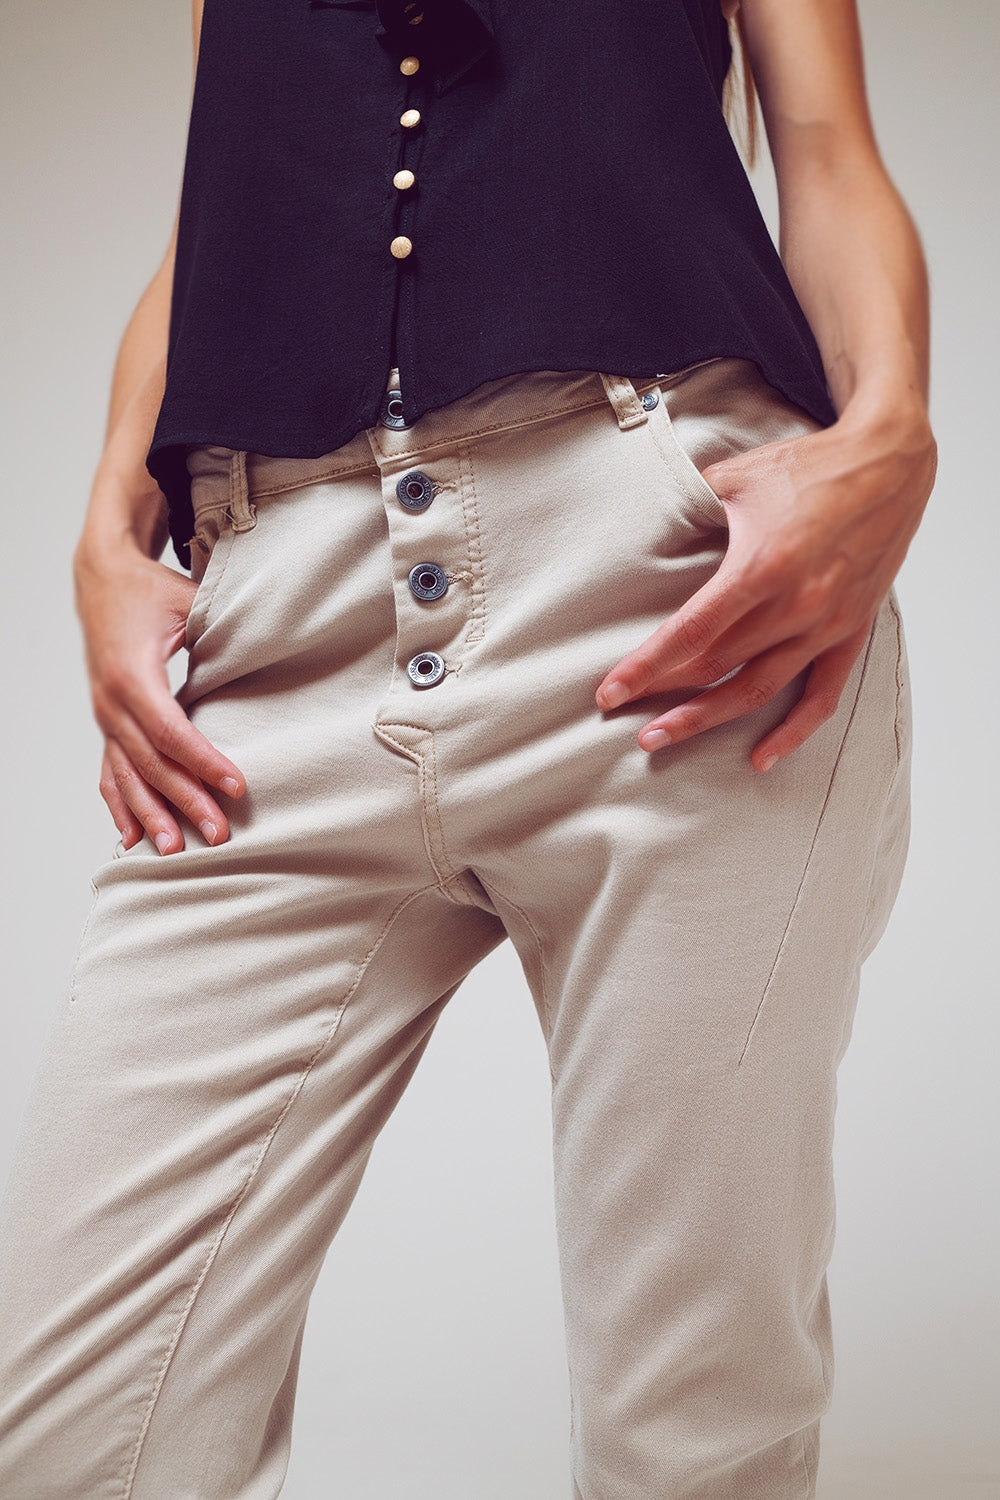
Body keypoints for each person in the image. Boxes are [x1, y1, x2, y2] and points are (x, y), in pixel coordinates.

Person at [0, 0, 936, 1495]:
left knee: (692, 1430)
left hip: (665, 587)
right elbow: (213, 214)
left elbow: (822, 144)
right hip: (280, 618)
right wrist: (112, 519)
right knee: (71, 1436)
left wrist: (889, 429)